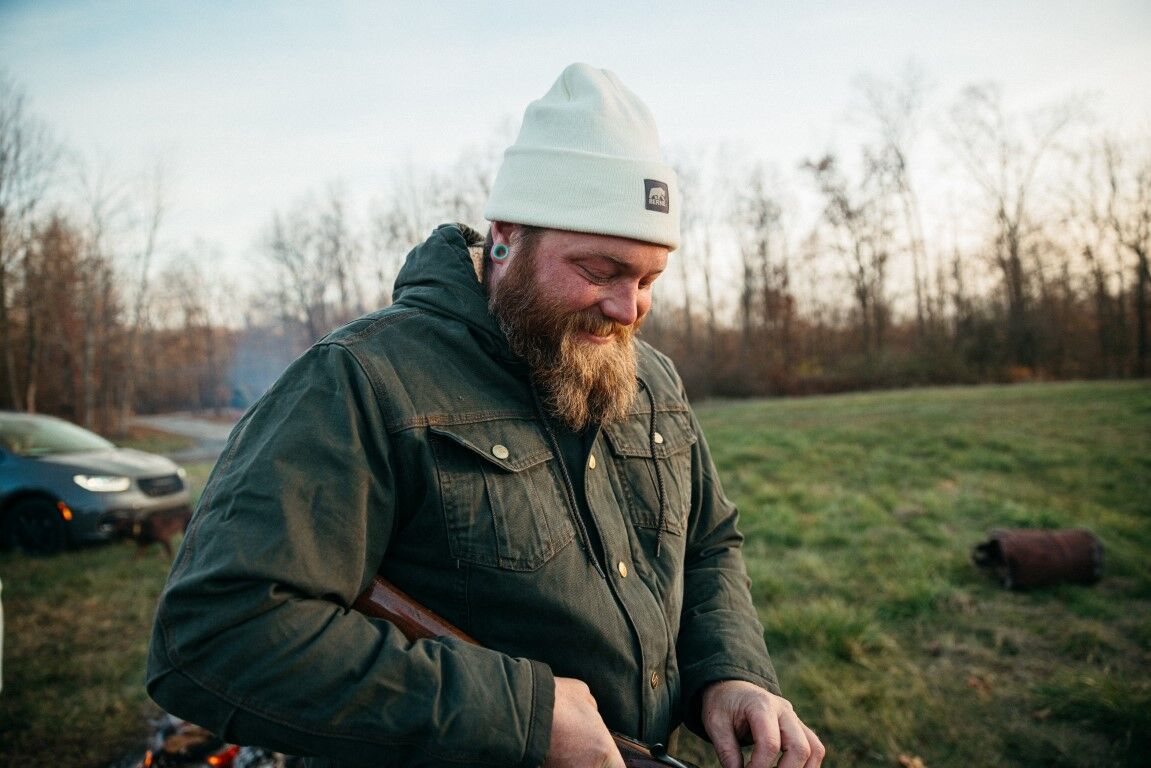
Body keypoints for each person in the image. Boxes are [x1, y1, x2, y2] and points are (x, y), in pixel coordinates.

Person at [147, 63, 824, 768]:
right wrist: (522, 719)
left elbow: (706, 543)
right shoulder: (363, 381)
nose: (628, 311)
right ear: (504, 239)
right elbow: (214, 634)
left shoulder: (650, 377)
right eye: (599, 271)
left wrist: (731, 672)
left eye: (648, 279)